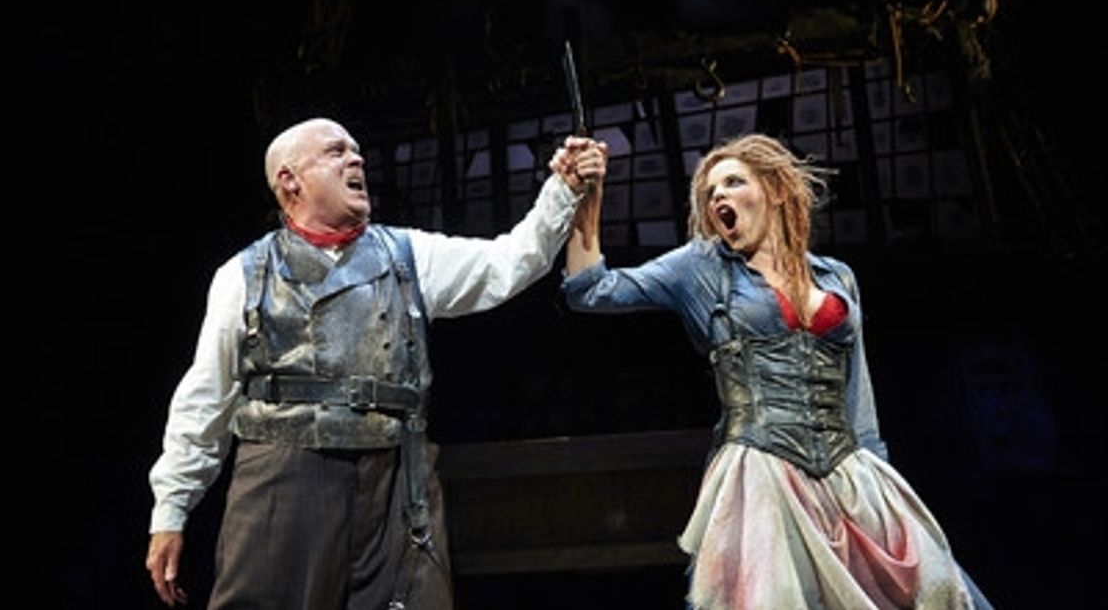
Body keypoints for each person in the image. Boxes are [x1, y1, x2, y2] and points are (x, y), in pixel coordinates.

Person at [146, 117, 607, 609]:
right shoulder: (244, 276)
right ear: (289, 181)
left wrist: (563, 188)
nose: (356, 159)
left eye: (357, 150)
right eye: (336, 151)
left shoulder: (408, 255)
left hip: (394, 481)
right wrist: (171, 511)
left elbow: (508, 262)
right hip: (285, 482)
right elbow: (205, 398)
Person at [561, 132, 994, 610]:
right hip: (763, 472)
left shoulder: (836, 276)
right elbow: (591, 290)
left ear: (775, 189)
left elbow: (857, 393)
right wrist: (589, 198)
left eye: (732, 182)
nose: (717, 197)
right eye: (709, 194)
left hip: (848, 471)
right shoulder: (702, 268)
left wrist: (879, 481)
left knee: (936, 591)